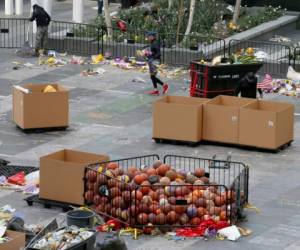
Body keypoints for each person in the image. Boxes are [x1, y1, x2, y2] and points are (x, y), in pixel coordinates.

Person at [144, 31, 168, 96]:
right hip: (152, 61)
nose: (147, 38)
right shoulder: (152, 42)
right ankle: (156, 90)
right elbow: (153, 52)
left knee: (152, 76)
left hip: (154, 61)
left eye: (148, 36)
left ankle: (164, 85)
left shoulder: (155, 43)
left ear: (152, 37)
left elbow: (158, 53)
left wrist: (152, 58)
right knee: (152, 76)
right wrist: (147, 53)